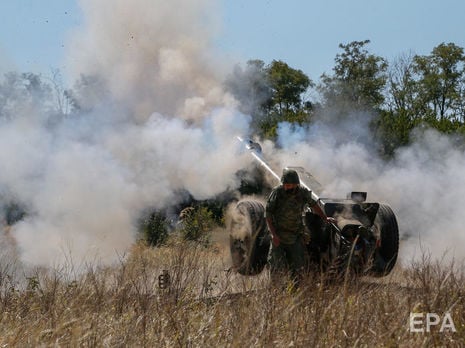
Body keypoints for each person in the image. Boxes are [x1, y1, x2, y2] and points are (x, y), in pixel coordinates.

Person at [265, 168, 327, 286]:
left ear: (296, 184)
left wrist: (325, 218)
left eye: (289, 185)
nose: (286, 187)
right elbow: (268, 214)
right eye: (285, 185)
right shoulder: (277, 192)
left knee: (298, 267)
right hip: (279, 235)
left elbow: (314, 205)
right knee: (276, 266)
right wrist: (273, 234)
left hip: (295, 235)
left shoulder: (303, 192)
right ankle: (275, 291)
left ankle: (296, 290)